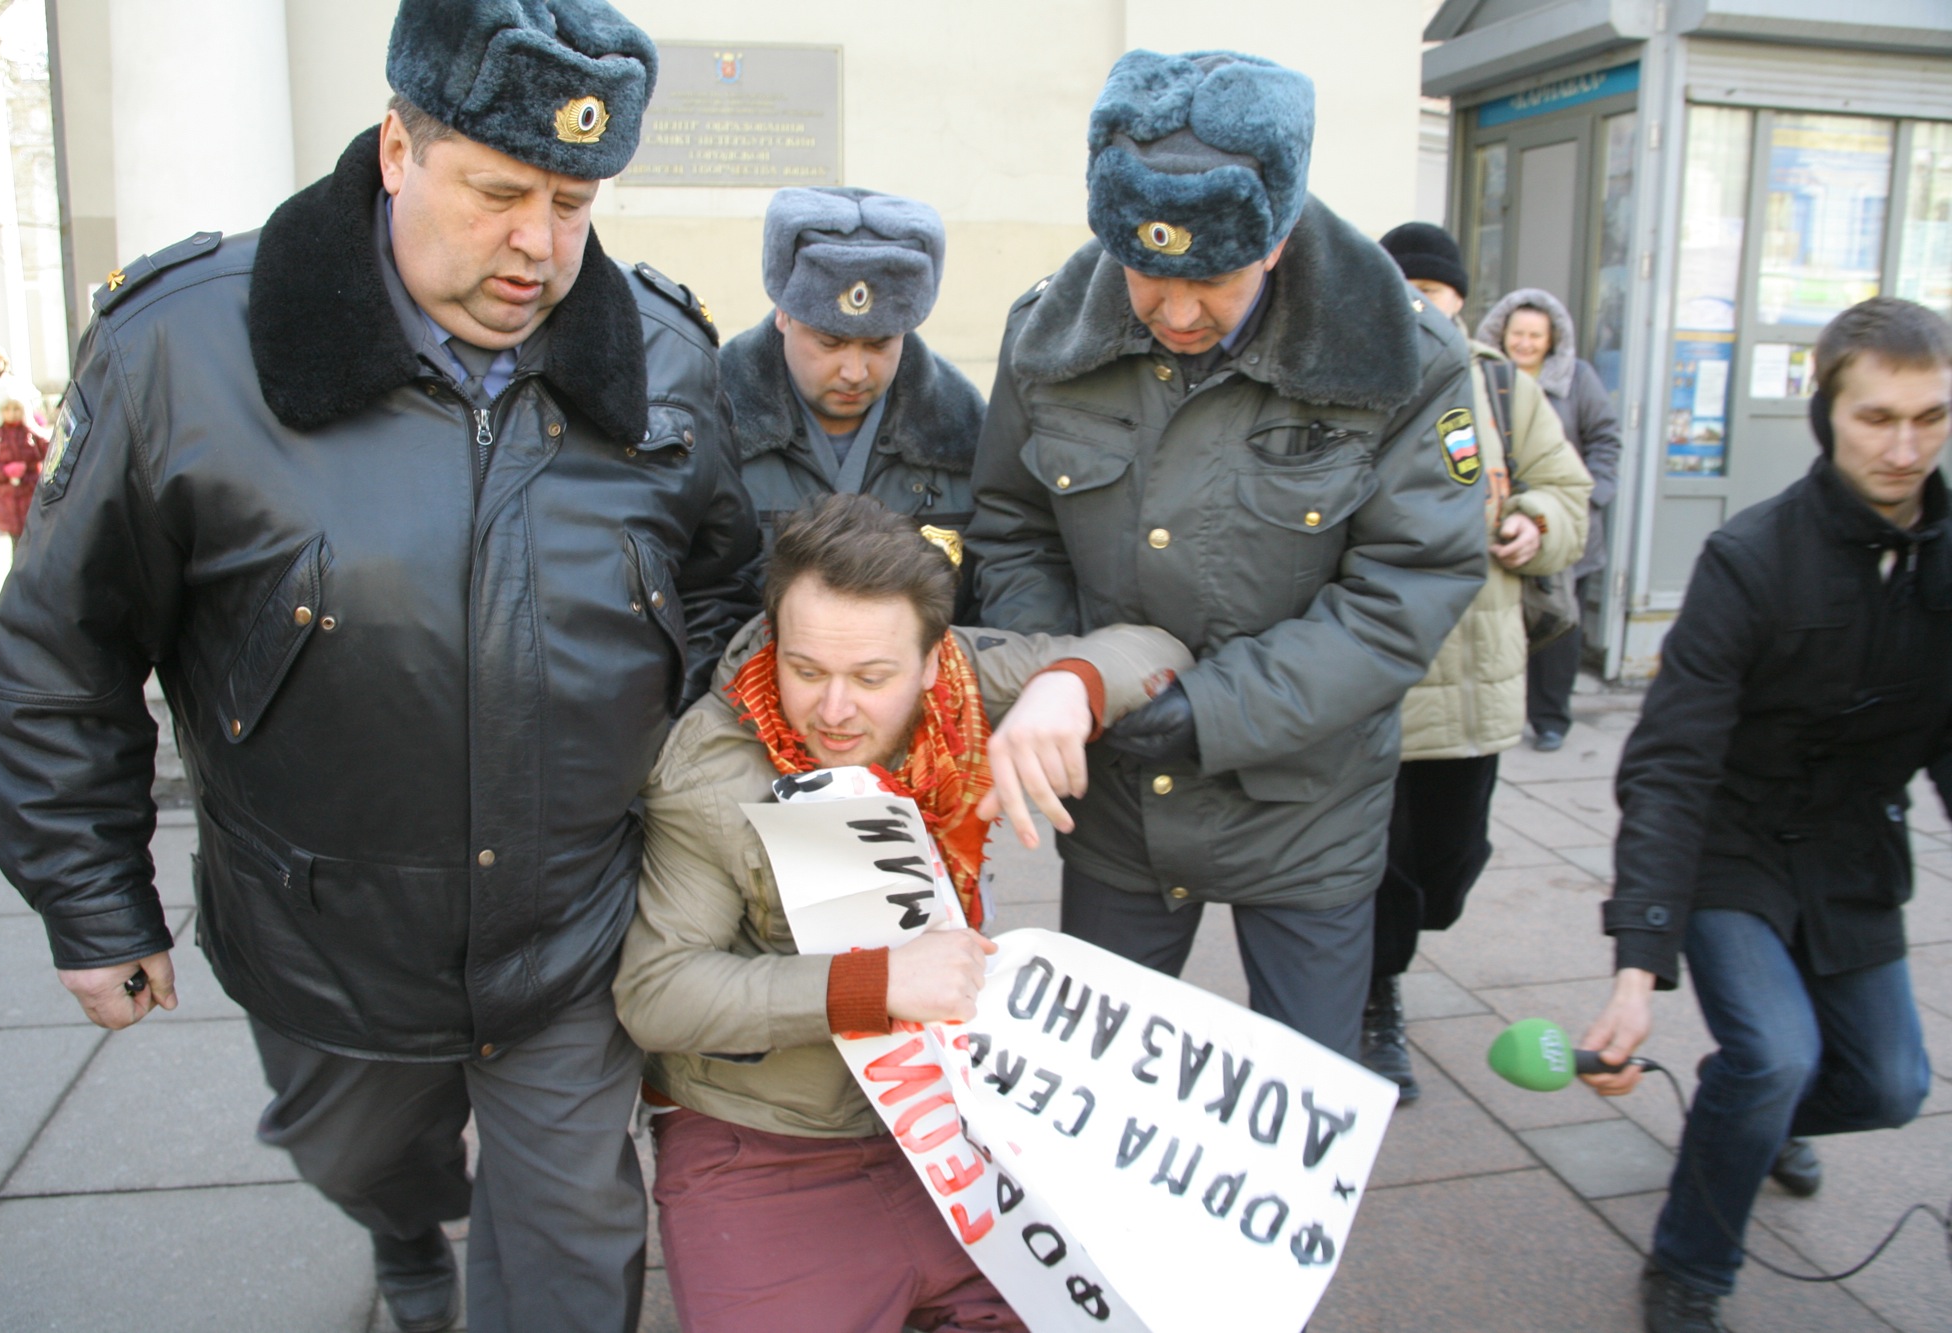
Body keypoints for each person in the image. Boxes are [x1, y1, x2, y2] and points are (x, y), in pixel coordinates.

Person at [0, 4, 761, 1331]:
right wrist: (94, 902)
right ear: (398, 147)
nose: (541, 244)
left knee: (576, 1235)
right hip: (324, 929)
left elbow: (722, 588)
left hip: (572, 922)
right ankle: (404, 1225)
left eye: (575, 201)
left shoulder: (667, 353)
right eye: (501, 190)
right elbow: (69, 644)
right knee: (361, 1155)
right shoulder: (181, 352)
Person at [964, 49, 1487, 1058]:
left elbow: (1403, 590)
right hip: (1116, 801)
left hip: (1305, 806)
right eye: (1145, 272)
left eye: (1209, 279)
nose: (1173, 311)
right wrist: (1060, 671)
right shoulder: (1047, 336)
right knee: (1092, 1095)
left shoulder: (1403, 358)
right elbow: (1012, 524)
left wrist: (1207, 709)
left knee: (1301, 1108)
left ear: (1278, 236)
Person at [613, 493, 1192, 1333]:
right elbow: (658, 993)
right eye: (805, 669)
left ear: (932, 661)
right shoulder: (710, 767)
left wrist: (1067, 689)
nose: (835, 710)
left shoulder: (967, 680)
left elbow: (1155, 643)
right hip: (767, 1136)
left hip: (959, 1119)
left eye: (872, 677)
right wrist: (876, 982)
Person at [1579, 297, 1950, 1333]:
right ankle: (1690, 1265)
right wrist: (1636, 961)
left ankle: (1740, 1121)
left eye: (1930, 416)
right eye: (1876, 417)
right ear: (1825, 414)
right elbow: (1668, 763)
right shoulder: (1750, 557)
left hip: (1850, 855)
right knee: (1774, 1052)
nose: (1905, 446)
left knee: (1889, 1086)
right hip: (1730, 846)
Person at [1361, 225, 1592, 1101]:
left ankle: (1397, 942)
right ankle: (1377, 1000)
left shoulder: (1498, 381)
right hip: (1372, 674)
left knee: (1449, 867)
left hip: (1475, 673)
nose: (1425, 307)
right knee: (1378, 866)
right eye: (1408, 289)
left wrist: (1535, 519)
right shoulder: (1349, 372)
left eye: (1440, 294)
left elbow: (1566, 488)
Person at [722, 187, 985, 571]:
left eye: (879, 345)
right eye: (830, 343)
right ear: (784, 315)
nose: (855, 372)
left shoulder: (969, 436)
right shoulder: (710, 428)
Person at [1476, 288, 1622, 750]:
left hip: (1560, 524)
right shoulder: (1485, 376)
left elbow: (1606, 438)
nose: (1525, 343)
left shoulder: (1578, 379)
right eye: (1518, 333)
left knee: (1559, 623)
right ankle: (1504, 710)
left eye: (1536, 335)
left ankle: (1551, 717)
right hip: (1501, 523)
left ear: (1552, 339)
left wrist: (1590, 496)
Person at [0, 376, 52, 550]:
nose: (12, 413)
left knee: (39, 547)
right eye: (7, 409)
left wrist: (39, 433)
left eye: (16, 409)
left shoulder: (32, 433)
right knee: (19, 549)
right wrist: (5, 471)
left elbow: (52, 451)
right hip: (8, 504)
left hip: (33, 497)